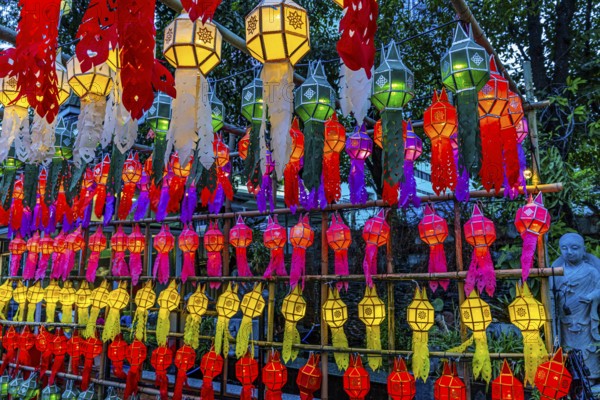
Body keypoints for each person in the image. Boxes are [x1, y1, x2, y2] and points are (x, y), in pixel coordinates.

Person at [551, 233, 600, 387]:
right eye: (564, 248)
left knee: (586, 348)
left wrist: (591, 296)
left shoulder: (590, 271)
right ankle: (570, 376)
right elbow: (550, 294)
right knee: (567, 348)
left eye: (574, 248)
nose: (569, 252)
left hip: (585, 318)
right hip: (565, 320)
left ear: (583, 249)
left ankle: (590, 376)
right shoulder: (556, 271)